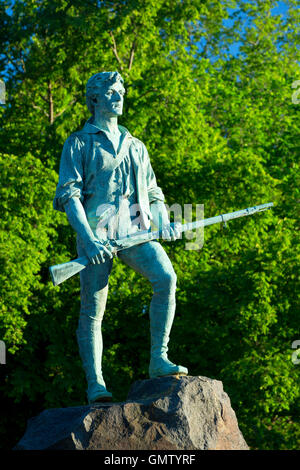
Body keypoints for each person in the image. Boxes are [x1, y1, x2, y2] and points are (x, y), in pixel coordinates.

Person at [53, 71, 188, 404]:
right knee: (93, 311)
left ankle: (159, 357)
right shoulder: (79, 142)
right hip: (95, 233)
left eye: (122, 90)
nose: (120, 96)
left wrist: (164, 220)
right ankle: (96, 384)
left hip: (136, 229)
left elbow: (154, 192)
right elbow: (69, 196)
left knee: (166, 278)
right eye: (112, 91)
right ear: (95, 98)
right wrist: (87, 238)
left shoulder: (136, 145)